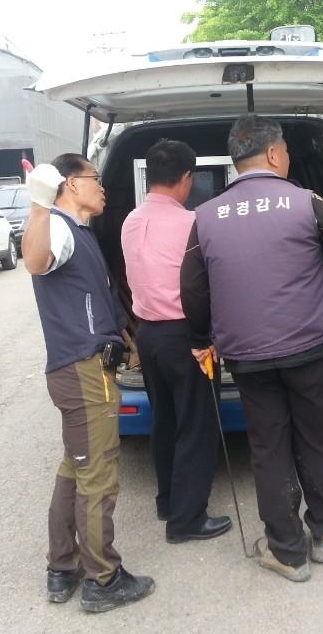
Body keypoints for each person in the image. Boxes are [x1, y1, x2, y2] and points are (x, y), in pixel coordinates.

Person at [180, 115, 323, 582]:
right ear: (274, 153)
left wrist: (200, 340)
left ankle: (287, 551)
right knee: (318, 437)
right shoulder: (306, 202)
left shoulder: (206, 216)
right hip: (308, 349)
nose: (289, 158)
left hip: (247, 357)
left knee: (268, 446)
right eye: (288, 151)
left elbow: (191, 289)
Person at [21, 153, 155, 614]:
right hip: (84, 371)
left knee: (75, 467)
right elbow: (35, 260)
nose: (103, 188)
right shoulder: (57, 227)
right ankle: (104, 579)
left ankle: (62, 567)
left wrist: (127, 339)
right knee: (98, 473)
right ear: (71, 184)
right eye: (95, 179)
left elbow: (97, 300)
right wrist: (39, 204)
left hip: (79, 368)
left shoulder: (79, 232)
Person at [120, 139, 231, 544]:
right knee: (197, 425)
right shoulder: (193, 223)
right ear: (187, 178)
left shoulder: (130, 221)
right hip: (187, 337)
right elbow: (208, 284)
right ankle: (187, 520)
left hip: (148, 336)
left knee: (164, 420)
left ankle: (168, 501)